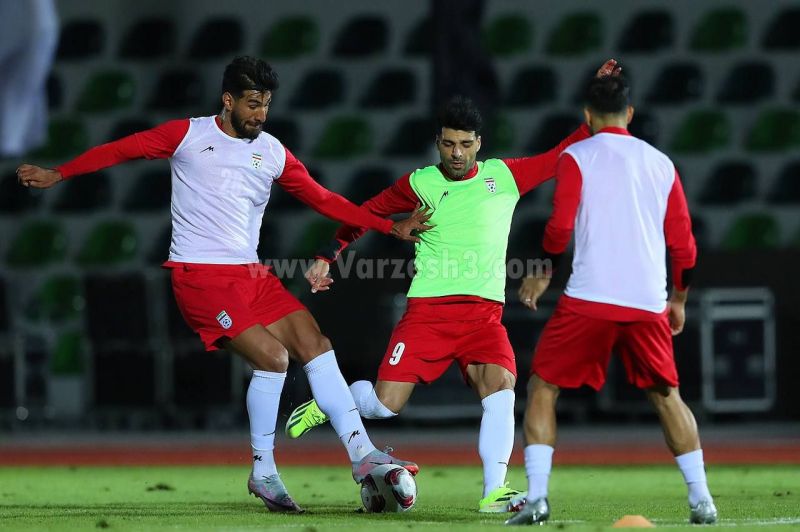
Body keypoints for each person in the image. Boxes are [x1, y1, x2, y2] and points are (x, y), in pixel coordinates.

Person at [16, 56, 431, 514]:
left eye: (267, 105)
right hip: (200, 278)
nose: (260, 115)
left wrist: (388, 227)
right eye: (253, 104)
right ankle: (264, 470)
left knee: (315, 342)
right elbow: (123, 149)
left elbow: (324, 198)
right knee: (273, 359)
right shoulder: (188, 136)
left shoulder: (271, 151)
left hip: (251, 274)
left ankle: (362, 455)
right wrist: (62, 172)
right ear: (228, 100)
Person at [284, 60, 621, 513]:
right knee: (385, 407)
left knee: (501, 386)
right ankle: (333, 400)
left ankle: (494, 492)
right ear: (437, 143)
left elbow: (564, 151)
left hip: (484, 315)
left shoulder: (503, 176)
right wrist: (329, 254)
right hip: (428, 313)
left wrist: (596, 100)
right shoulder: (419, 183)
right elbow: (365, 213)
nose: (457, 153)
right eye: (448, 144)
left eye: (465, 144)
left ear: (479, 143)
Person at [506, 74, 716, 525]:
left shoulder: (575, 157)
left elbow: (559, 228)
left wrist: (543, 274)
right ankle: (702, 500)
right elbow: (684, 245)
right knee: (668, 396)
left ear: (587, 115)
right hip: (646, 302)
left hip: (589, 299)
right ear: (630, 113)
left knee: (543, 387)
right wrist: (678, 299)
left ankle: (539, 498)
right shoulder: (661, 163)